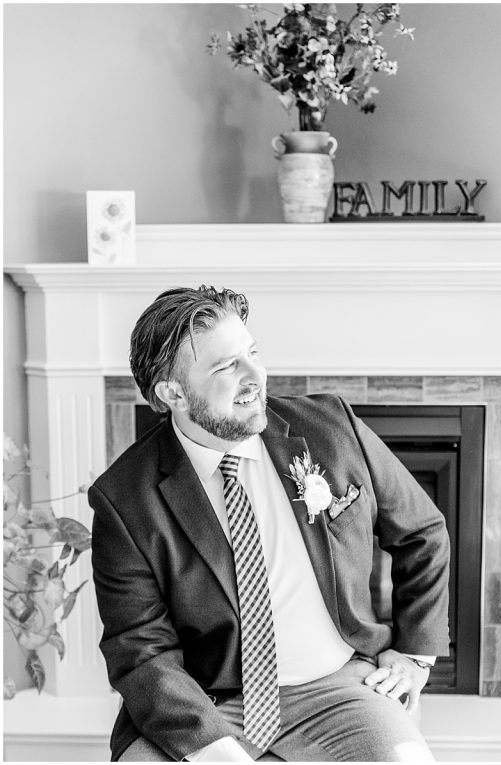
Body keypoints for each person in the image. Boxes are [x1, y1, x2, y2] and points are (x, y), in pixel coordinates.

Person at [89, 285, 450, 762]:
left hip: (340, 689)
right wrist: (217, 751)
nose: (254, 375)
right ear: (173, 393)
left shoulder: (331, 427)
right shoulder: (123, 499)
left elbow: (422, 531)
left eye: (252, 353)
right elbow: (140, 649)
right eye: (225, 366)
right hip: (207, 702)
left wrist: (415, 652)